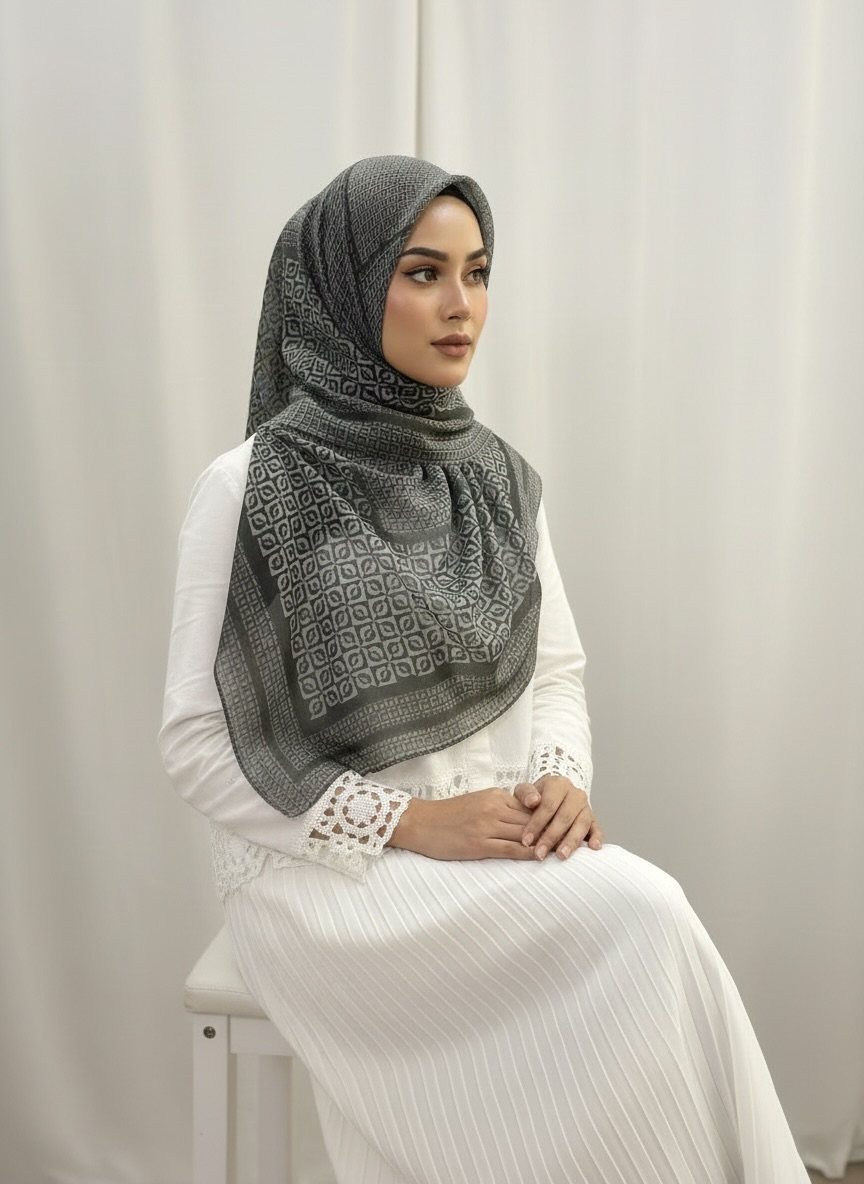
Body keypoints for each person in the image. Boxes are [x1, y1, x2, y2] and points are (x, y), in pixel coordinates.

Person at [159, 155, 809, 1183]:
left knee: (649, 916)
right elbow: (199, 742)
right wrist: (410, 823)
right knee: (640, 919)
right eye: (422, 272)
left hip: (491, 831)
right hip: (325, 875)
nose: (461, 305)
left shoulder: (497, 477)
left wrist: (559, 781)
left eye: (478, 272)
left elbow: (555, 670)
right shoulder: (251, 484)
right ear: (343, 289)